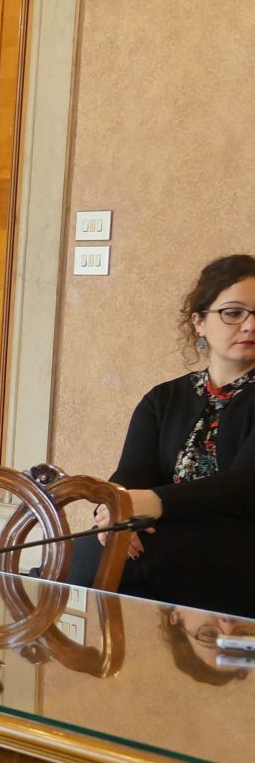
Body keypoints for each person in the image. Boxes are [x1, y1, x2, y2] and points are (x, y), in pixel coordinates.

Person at [77, 254, 255, 617]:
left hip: (241, 546)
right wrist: (116, 512)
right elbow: (132, 473)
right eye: (233, 313)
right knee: (101, 550)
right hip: (173, 545)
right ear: (199, 322)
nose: (250, 326)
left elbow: (243, 487)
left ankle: (25, 611)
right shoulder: (164, 398)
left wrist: (150, 504)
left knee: (116, 559)